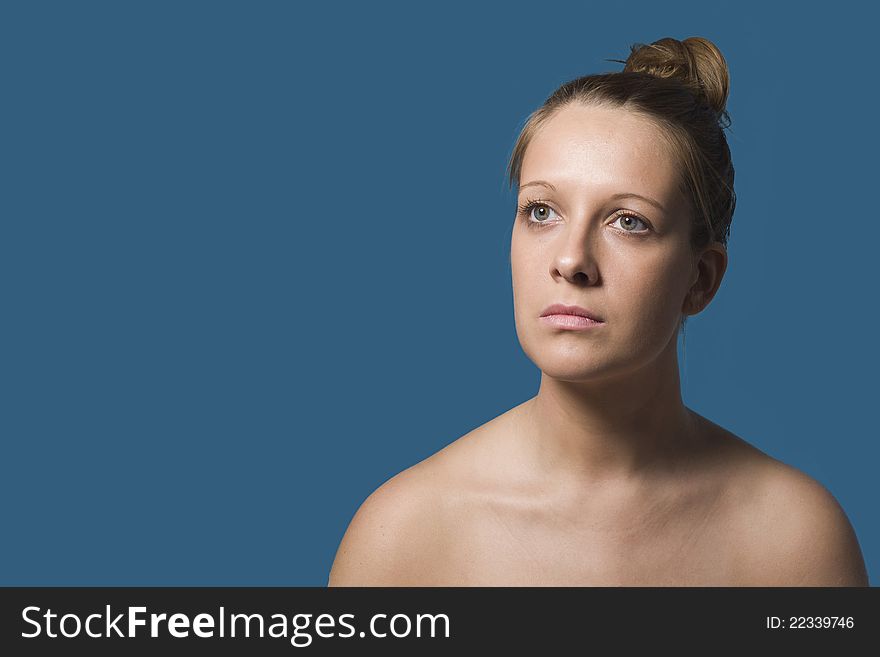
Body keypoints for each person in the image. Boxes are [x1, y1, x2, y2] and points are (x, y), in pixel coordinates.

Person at [328, 36, 869, 586]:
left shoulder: (796, 542)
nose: (571, 260)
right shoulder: (403, 538)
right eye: (541, 211)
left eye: (628, 221)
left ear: (700, 279)